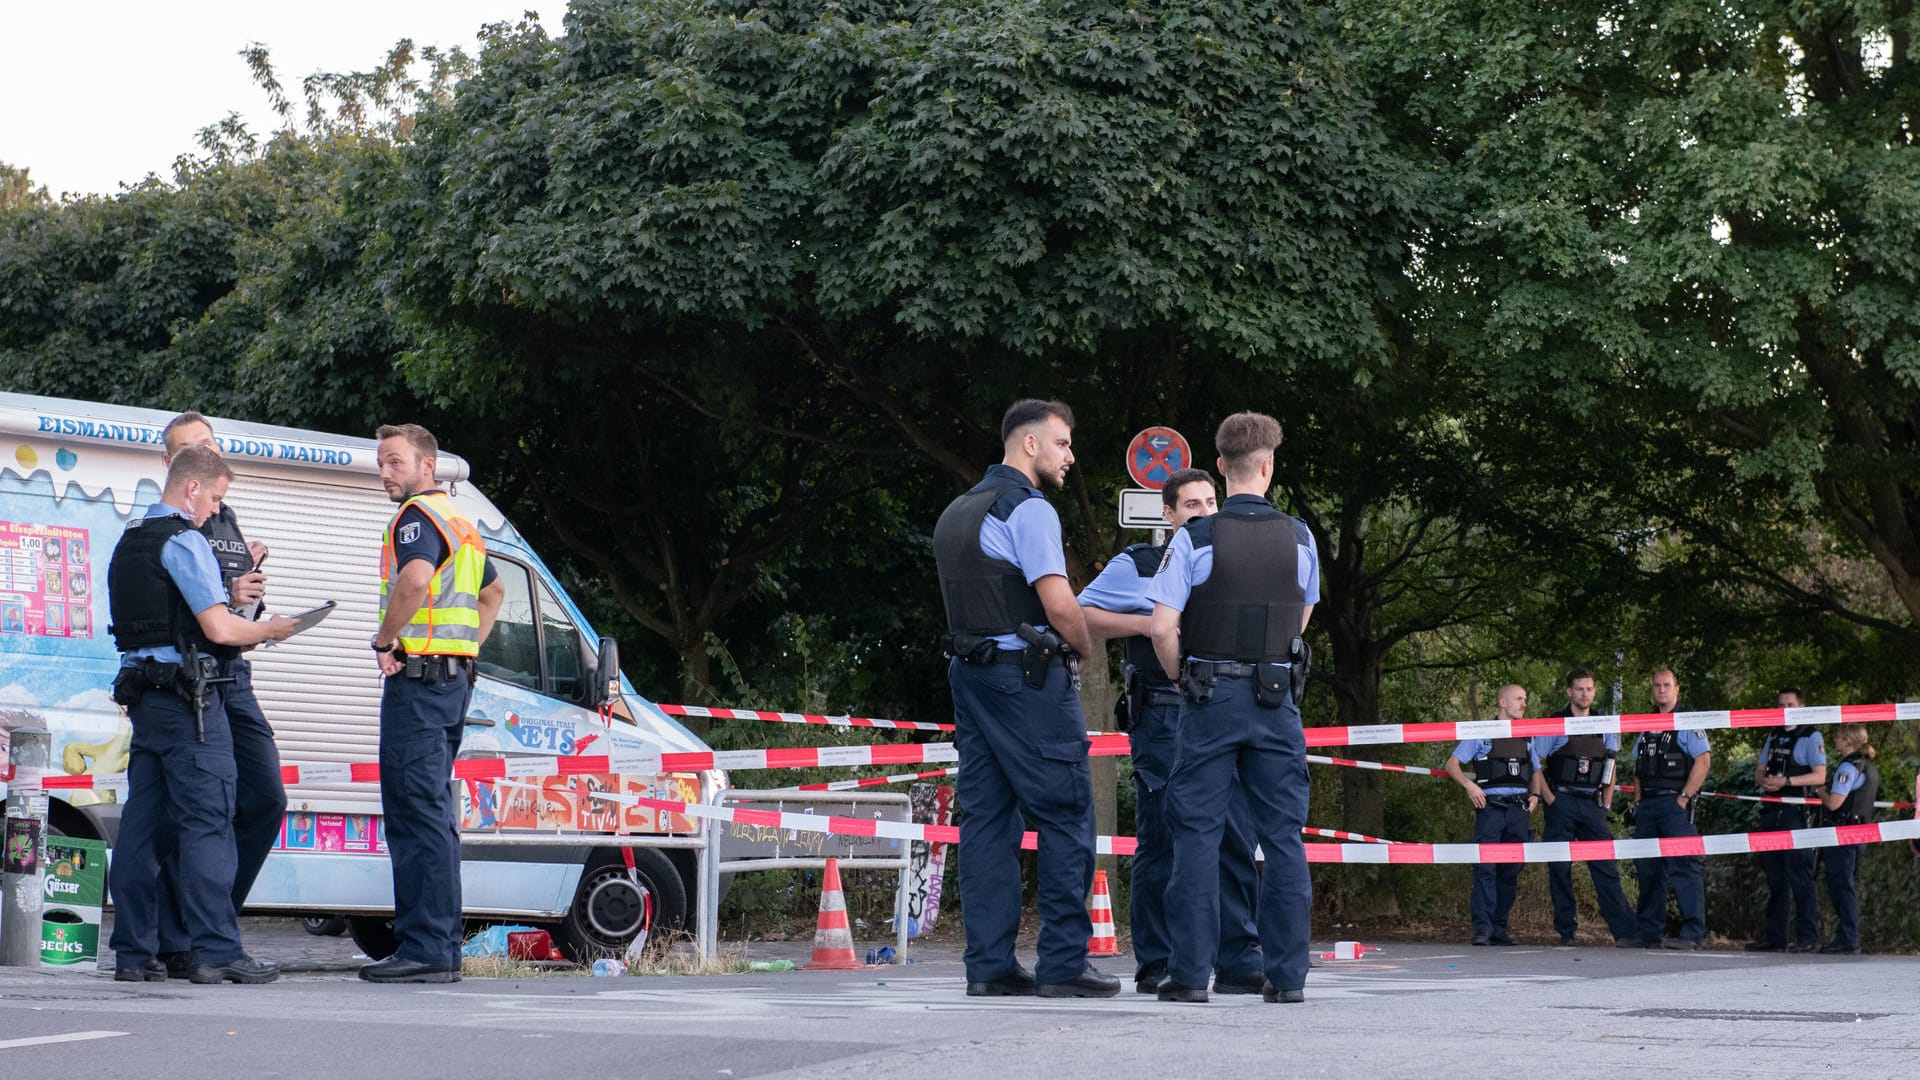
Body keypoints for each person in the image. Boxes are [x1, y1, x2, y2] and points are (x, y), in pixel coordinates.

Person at [933, 399, 1117, 999]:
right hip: (1027, 678)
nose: (1071, 456)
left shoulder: (958, 510)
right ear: (1030, 445)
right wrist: (1083, 648)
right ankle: (1064, 964)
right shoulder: (1028, 509)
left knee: (986, 822)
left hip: (971, 674)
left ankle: (989, 967)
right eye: (1063, 443)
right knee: (1066, 811)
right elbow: (1060, 605)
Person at [104, 446, 295, 984]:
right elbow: (221, 630)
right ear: (191, 489)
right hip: (192, 703)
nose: (214, 510)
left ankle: (134, 954)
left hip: (144, 698)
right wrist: (271, 629)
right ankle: (217, 951)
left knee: (142, 831)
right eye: (214, 498)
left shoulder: (130, 537)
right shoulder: (184, 540)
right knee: (209, 822)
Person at [1149, 412, 1318, 1005]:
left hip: (1208, 696)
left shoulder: (1193, 537)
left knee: (1196, 834)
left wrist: (1185, 676)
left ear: (1220, 468)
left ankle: (1191, 976)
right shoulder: (1300, 538)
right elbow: (1301, 616)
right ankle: (1288, 977)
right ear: (1268, 466)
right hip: (1277, 701)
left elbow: (1162, 628)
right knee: (1284, 837)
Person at [1077, 468, 1263, 995]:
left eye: (1210, 502)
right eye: (1191, 505)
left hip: (1222, 711)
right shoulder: (1137, 562)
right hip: (1162, 711)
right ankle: (1158, 961)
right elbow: (1083, 612)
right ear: (1169, 513)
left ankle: (1236, 959)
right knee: (1162, 837)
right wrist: (1153, 622)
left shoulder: (1230, 560)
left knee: (1234, 832)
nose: (1203, 512)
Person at [361, 423, 506, 984]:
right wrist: (466, 648)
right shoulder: (461, 522)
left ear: (427, 465)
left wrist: (384, 640)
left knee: (415, 813)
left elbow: (415, 581)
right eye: (381, 462)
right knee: (435, 816)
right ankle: (440, 948)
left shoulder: (417, 518)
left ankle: (423, 949)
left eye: (395, 462)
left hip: (419, 684)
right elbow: (492, 594)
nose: (385, 473)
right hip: (450, 681)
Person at [150, 411, 290, 979]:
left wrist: (250, 592)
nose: (207, 457)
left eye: (211, 445)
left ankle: (212, 925)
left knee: (266, 798)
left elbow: (234, 616)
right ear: (176, 467)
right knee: (192, 812)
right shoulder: (170, 526)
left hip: (234, 673)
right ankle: (191, 940)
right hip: (195, 679)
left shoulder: (224, 514)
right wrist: (229, 603)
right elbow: (178, 612)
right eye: (193, 450)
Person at [1530, 668, 1636, 946]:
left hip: (1592, 803)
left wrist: (1607, 802)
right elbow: (1535, 764)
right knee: (1560, 869)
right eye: (1579, 689)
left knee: (1605, 867)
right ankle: (1567, 932)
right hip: (1561, 801)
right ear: (1569, 692)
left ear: (1594, 691)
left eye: (1589, 689)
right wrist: (1550, 799)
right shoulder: (1554, 723)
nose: (1585, 694)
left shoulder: (1604, 723)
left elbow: (1611, 765)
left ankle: (1625, 933)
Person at [1445, 684, 1539, 946]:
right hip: (1491, 808)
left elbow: (1536, 771)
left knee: (1511, 869)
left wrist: (1535, 796)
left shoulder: (1526, 735)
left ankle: (1499, 928)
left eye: (1525, 699)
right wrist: (1469, 786)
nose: (1523, 704)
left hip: (1519, 809)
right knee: (1485, 868)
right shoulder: (1481, 732)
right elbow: (1452, 765)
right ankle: (1483, 929)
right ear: (1502, 702)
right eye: (1519, 699)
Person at [1626, 668, 1710, 949]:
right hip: (1648, 805)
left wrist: (1684, 797)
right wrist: (1638, 799)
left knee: (1684, 868)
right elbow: (1638, 767)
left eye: (1666, 685)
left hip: (1674, 803)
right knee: (1648, 869)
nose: (1661, 690)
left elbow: (1703, 761)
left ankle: (1692, 933)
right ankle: (1648, 932)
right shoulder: (1647, 724)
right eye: (1657, 685)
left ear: (1677, 689)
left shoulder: (1687, 722)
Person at [1746, 688, 1827, 953]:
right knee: (1774, 875)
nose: (1784, 709)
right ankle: (1775, 938)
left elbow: (1820, 777)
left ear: (1801, 706)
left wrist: (1787, 781)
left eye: (1790, 704)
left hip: (1796, 810)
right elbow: (1759, 770)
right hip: (1771, 809)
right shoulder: (1774, 734)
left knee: (1800, 874)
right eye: (1780, 705)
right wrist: (1766, 781)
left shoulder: (1811, 736)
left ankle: (1807, 938)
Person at [1817, 723, 1879, 954]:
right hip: (1858, 832)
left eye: (1839, 736)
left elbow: (1834, 802)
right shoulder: (1868, 766)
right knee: (1845, 885)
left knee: (1842, 886)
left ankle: (1848, 939)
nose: (1835, 740)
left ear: (1848, 740)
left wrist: (1819, 791)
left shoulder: (1848, 767)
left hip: (1844, 833)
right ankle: (1846, 936)